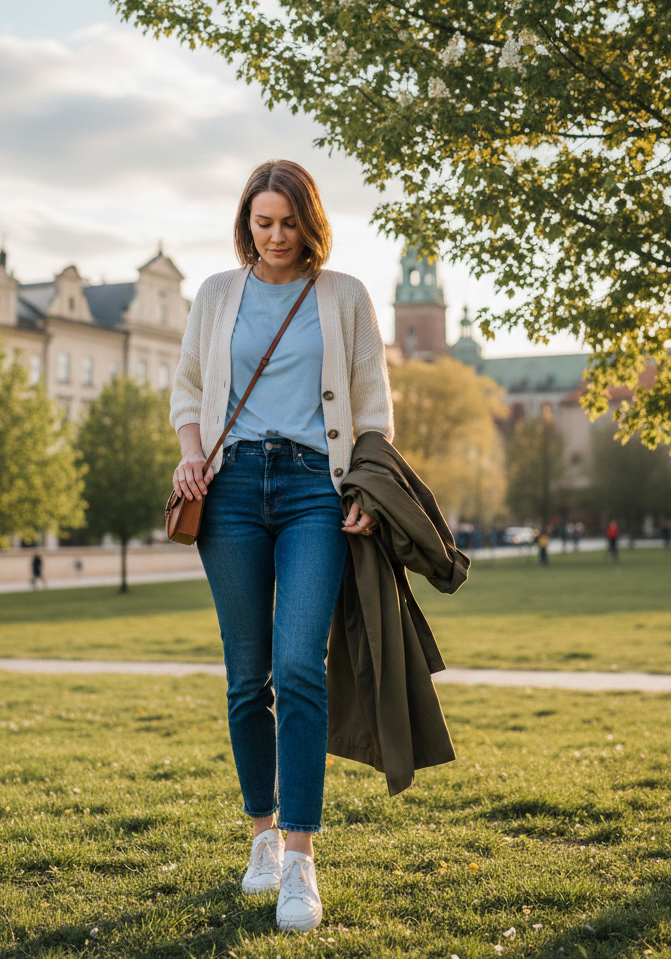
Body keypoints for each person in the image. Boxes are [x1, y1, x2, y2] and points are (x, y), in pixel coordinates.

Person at [169, 160, 392, 933]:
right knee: (246, 677)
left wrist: (363, 485)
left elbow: (372, 407)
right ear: (247, 222)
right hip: (228, 491)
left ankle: (301, 856)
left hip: (312, 491)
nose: (274, 237)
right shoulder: (216, 295)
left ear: (310, 222)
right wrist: (191, 452)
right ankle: (260, 837)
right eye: (262, 223)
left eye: (287, 223)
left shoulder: (345, 295)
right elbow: (188, 390)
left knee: (300, 664)